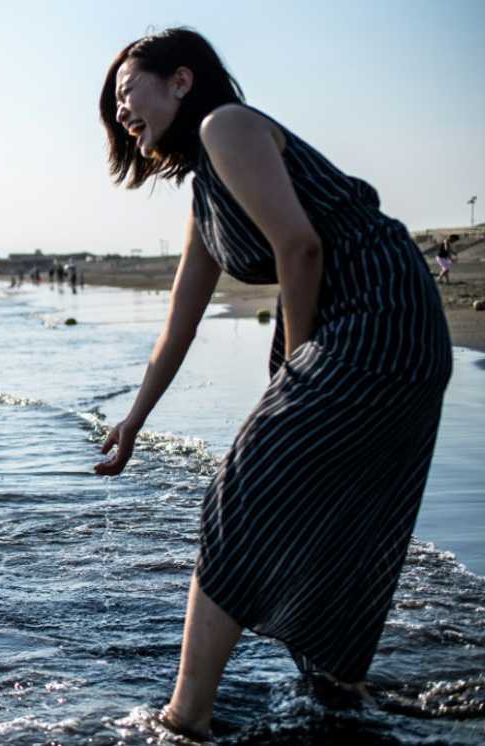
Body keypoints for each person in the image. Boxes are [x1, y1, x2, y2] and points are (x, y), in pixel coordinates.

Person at [95, 28, 451, 740]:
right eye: (115, 105)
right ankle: (337, 691)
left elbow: (300, 246)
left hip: (378, 315)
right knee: (342, 510)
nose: (122, 111)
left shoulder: (227, 126)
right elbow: (180, 322)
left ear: (181, 81)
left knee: (242, 490)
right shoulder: (206, 192)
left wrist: (296, 360)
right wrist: (135, 419)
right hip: (370, 324)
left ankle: (185, 717)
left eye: (128, 92)